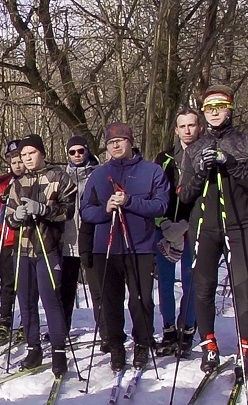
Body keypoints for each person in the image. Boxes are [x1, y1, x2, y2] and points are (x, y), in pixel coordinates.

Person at [80, 124, 168, 370]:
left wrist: (130, 202)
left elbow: (161, 205)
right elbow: (86, 211)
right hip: (106, 247)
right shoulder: (99, 174)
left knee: (141, 300)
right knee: (110, 301)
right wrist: (105, 209)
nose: (115, 145)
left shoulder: (151, 171)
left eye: (120, 140)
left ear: (130, 142)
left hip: (140, 247)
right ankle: (116, 346)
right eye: (111, 142)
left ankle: (143, 342)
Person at [180, 84, 248, 372]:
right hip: (205, 228)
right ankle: (208, 344)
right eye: (209, 108)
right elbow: (184, 195)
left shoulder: (243, 142)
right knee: (204, 287)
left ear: (229, 109)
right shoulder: (195, 148)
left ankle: (245, 346)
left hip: (240, 225)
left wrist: (231, 164)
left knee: (243, 288)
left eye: (220, 107)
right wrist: (201, 172)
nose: (215, 112)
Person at [5, 134, 75, 377]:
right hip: (23, 249)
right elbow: (9, 218)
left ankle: (58, 351)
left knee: (50, 299)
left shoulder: (58, 177)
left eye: (31, 153)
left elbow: (68, 210)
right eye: (23, 155)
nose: (27, 158)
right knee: (26, 301)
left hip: (48, 247)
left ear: (41, 153)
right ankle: (33, 348)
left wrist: (43, 209)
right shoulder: (18, 183)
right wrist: (16, 217)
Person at [154, 109, 201, 357]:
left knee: (191, 280)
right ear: (176, 130)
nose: (187, 130)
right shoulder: (165, 158)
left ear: (199, 127)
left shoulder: (205, 155)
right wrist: (162, 223)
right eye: (182, 126)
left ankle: (188, 328)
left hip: (194, 228)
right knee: (165, 281)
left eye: (191, 125)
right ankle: (169, 329)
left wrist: (190, 224)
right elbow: (155, 192)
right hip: (165, 228)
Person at [66, 136, 103, 348]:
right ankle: (61, 330)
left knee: (98, 290)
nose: (77, 155)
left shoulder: (98, 173)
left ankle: (106, 332)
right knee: (65, 290)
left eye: (81, 151)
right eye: (73, 152)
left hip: (92, 239)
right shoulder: (62, 176)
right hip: (68, 239)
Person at [0, 140, 25, 342]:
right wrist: (1, 225)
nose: (17, 165)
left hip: (27, 239)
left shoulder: (31, 180)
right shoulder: (4, 182)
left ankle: (26, 319)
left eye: (20, 161)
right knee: (7, 281)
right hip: (7, 238)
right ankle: (5, 318)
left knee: (25, 282)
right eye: (14, 162)